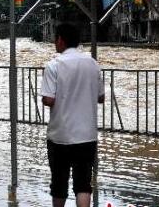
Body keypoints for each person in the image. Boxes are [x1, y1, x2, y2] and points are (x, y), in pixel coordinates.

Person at [40, 23, 105, 207]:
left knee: (59, 183)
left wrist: (46, 99)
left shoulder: (54, 65)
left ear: (60, 40)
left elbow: (49, 100)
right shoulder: (93, 64)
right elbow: (101, 97)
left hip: (60, 135)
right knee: (83, 183)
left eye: (55, 39)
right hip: (86, 135)